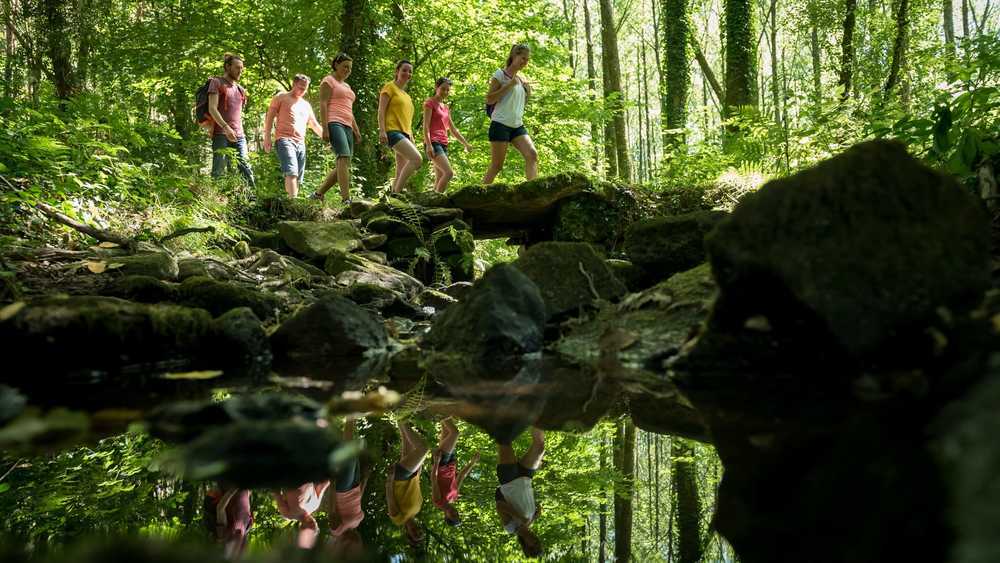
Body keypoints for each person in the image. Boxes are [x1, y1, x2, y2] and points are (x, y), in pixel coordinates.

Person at [483, 44, 538, 185]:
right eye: (522, 58)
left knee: (532, 155)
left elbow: (516, 104)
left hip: (517, 125)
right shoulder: (500, 75)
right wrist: (509, 85)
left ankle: (534, 191)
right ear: (514, 56)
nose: (524, 62)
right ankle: (479, 193)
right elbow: (489, 99)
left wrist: (527, 93)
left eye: (527, 60)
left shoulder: (521, 79)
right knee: (497, 166)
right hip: (500, 124)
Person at [312, 53, 362, 204]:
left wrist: (356, 130)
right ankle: (346, 199)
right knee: (343, 157)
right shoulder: (328, 81)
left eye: (350, 68)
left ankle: (318, 194)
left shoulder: (347, 86)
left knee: (344, 162)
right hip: (334, 122)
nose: (347, 70)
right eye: (345, 66)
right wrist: (325, 128)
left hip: (347, 125)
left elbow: (349, 110)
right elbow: (323, 104)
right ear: (336, 65)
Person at [263, 74, 323, 198]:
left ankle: (293, 201)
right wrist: (267, 137)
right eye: (301, 87)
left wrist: (328, 138)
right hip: (284, 139)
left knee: (298, 177)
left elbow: (314, 124)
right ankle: (293, 201)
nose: (303, 91)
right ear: (293, 84)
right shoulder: (281, 97)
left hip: (300, 142)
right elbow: (269, 117)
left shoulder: (306, 105)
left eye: (305, 88)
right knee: (291, 171)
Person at [494, 427, 544, 557]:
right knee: (539, 448)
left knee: (504, 438)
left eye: (532, 545)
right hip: (526, 476)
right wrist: (536, 511)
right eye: (537, 543)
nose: (534, 541)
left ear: (525, 545)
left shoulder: (510, 528)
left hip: (509, 478)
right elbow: (526, 497)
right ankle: (538, 414)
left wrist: (519, 517)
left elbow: (499, 505)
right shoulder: (531, 521)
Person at [208, 53, 256, 188]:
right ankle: (214, 199)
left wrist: (235, 130)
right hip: (220, 133)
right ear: (227, 67)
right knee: (219, 168)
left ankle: (253, 199)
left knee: (245, 165)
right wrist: (225, 127)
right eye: (237, 67)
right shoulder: (216, 82)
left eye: (241, 68)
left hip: (239, 134)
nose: (240, 71)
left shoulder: (240, 89)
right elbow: (212, 109)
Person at [378, 60, 422, 193]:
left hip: (405, 134)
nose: (407, 73)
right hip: (393, 131)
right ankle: (397, 194)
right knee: (417, 159)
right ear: (397, 71)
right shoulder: (389, 87)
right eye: (404, 70)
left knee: (401, 170)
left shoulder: (407, 96)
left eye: (410, 71)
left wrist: (412, 139)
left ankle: (392, 201)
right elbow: (381, 110)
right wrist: (382, 131)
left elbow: (407, 120)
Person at [327, 418, 368, 558]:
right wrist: (365, 480)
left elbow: (331, 510)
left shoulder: (337, 531)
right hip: (355, 486)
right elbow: (359, 501)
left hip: (343, 490)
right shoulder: (355, 525)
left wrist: (331, 485)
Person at [422, 78, 472, 193]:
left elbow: (453, 129)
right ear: (436, 87)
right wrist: (429, 145)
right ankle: (437, 201)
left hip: (444, 144)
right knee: (448, 173)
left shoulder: (445, 108)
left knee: (440, 177)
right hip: (433, 142)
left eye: (448, 90)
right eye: (443, 89)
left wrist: (466, 144)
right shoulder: (429, 103)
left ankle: (431, 203)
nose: (445, 92)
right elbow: (425, 126)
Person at [431, 417, 480, 526]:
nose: (454, 512)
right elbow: (461, 476)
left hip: (441, 464)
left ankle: (439, 408)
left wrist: (436, 462)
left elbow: (434, 480)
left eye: (452, 515)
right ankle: (440, 405)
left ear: (446, 516)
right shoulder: (454, 497)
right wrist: (472, 463)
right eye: (457, 514)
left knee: (454, 433)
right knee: (446, 428)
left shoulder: (438, 502)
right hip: (451, 463)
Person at [386, 421, 427, 548]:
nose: (417, 530)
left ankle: (400, 413)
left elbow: (390, 498)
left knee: (423, 449)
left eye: (414, 534)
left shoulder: (398, 520)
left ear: (408, 533)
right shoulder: (417, 509)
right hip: (412, 474)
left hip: (399, 478)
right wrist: (419, 470)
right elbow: (416, 486)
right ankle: (399, 411)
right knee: (406, 439)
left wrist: (389, 479)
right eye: (420, 532)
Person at [273, 480, 331, 549]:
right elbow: (322, 486)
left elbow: (276, 493)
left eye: (310, 527)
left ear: (301, 528)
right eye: (315, 526)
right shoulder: (315, 506)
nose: (313, 524)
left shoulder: (288, 515)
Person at [204, 487, 253, 560]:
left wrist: (233, 490)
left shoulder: (223, 534)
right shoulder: (247, 527)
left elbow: (220, 509)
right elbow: (245, 505)